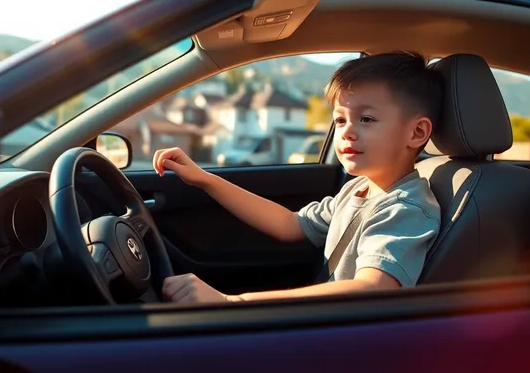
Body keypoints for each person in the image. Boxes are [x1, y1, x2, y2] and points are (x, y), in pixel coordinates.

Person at [153, 51, 443, 303]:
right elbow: (289, 224)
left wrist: (232, 302)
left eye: (366, 119)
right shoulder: (358, 189)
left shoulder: (407, 208)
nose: (346, 132)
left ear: (416, 132)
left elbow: (373, 288)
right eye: (340, 120)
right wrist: (204, 179)